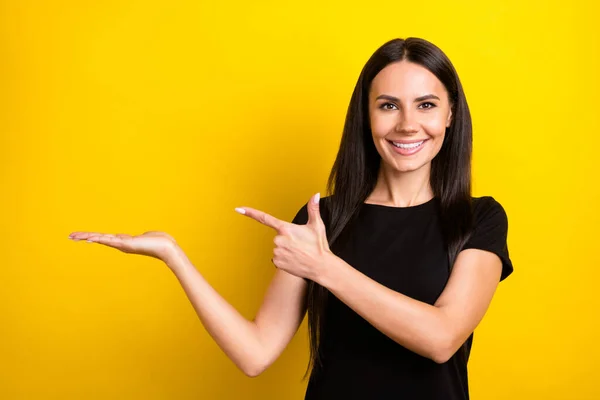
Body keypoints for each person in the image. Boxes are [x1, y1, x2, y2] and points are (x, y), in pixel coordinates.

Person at [69, 37, 513, 399]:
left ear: (451, 113)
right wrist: (173, 255)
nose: (407, 124)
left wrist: (326, 268)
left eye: (427, 105)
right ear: (366, 115)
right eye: (389, 105)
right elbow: (255, 353)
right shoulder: (323, 220)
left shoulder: (479, 219)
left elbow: (441, 338)